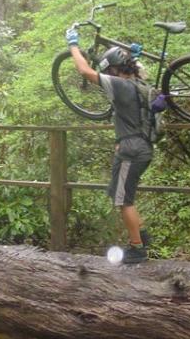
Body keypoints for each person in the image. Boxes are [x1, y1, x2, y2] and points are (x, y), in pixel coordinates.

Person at [65, 28, 152, 263]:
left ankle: (137, 248)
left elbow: (84, 70)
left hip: (131, 150)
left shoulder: (121, 86)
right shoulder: (140, 85)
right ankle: (142, 235)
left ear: (115, 69)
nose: (107, 74)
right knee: (121, 193)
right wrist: (133, 56)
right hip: (141, 147)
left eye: (109, 70)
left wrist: (73, 45)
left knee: (123, 200)